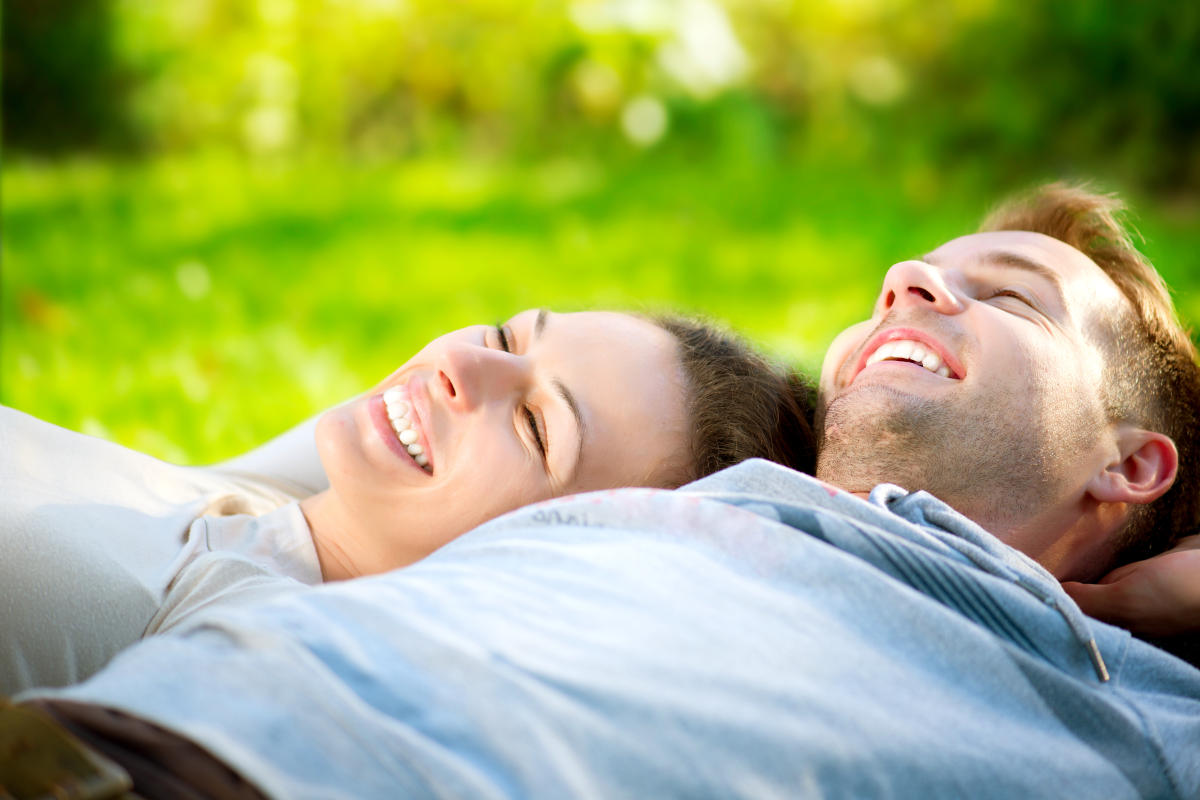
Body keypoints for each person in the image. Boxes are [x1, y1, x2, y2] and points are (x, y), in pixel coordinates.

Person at [5, 183, 1200, 798]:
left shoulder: (1109, 699)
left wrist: (1145, 601)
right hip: (107, 740)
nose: (904, 279)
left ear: (1131, 463)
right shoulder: (721, 495)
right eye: (911, 277)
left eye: (1014, 297)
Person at [0, 308, 816, 696]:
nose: (463, 367)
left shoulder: (241, 643)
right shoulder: (287, 500)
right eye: (505, 335)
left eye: (535, 425)